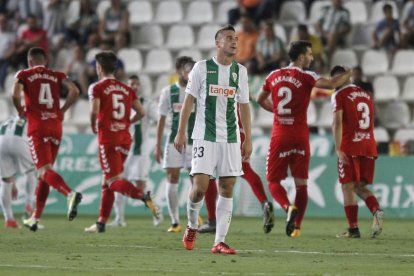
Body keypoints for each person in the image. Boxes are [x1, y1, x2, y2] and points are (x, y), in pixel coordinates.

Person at [256, 40, 352, 238]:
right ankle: (297, 228)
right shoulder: (307, 76)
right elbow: (333, 84)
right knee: (302, 184)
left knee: (273, 181)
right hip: (300, 135)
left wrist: (276, 111)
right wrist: (349, 73)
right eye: (309, 54)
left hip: (280, 134)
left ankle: (287, 207)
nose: (312, 57)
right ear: (301, 57)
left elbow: (259, 99)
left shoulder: (273, 75)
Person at [174, 25, 252, 254]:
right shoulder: (201, 68)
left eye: (236, 38)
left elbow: (244, 106)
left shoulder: (241, 71)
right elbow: (188, 101)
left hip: (230, 138)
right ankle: (191, 226)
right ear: (218, 43)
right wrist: (181, 131)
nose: (234, 42)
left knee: (227, 187)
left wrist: (247, 137)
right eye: (229, 38)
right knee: (199, 189)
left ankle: (219, 241)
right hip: (204, 136)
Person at [84, 51, 158, 233]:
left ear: (99, 68)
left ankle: (142, 196)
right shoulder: (127, 89)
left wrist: (93, 125)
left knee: (112, 180)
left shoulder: (97, 87)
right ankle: (101, 222)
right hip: (125, 140)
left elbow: (94, 111)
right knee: (107, 180)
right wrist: (126, 123)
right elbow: (140, 113)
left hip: (108, 139)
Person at [11, 47, 82, 232]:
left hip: (37, 127)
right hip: (55, 125)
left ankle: (69, 193)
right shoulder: (57, 74)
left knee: (43, 171)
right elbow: (74, 90)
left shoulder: (24, 74)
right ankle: (35, 217)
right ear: (46, 60)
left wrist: (20, 110)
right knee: (45, 173)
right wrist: (63, 110)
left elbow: (14, 94)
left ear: (30, 61)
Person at [199, 106, 274, 234]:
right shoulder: (239, 86)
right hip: (240, 129)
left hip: (220, 131)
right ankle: (264, 202)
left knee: (209, 173)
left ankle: (212, 220)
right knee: (245, 169)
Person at [330, 65, 384, 238]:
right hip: (368, 145)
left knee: (347, 187)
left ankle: (353, 229)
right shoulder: (365, 94)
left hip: (350, 145)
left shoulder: (339, 95)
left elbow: (337, 122)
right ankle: (376, 210)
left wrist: (338, 148)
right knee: (360, 187)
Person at [109, 75, 161, 227]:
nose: (135, 86)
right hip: (120, 151)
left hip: (139, 151)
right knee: (117, 183)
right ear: (126, 85)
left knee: (140, 186)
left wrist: (157, 136)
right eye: (132, 83)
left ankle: (155, 211)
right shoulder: (118, 102)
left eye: (137, 84)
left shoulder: (145, 103)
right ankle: (119, 219)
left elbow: (158, 119)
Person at [155, 56, 197, 233]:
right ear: (179, 70)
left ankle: (193, 222)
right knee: (172, 179)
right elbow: (162, 119)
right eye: (186, 69)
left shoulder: (199, 92)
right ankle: (175, 221)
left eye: (192, 69)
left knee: (196, 181)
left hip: (195, 142)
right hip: (173, 143)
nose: (189, 73)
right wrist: (157, 144)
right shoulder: (168, 92)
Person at [0, 116, 37, 228]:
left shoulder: (8, 120)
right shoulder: (33, 119)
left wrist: (13, 183)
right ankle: (29, 206)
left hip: (1, 143)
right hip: (19, 141)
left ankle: (9, 219)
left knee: (6, 181)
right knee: (32, 171)